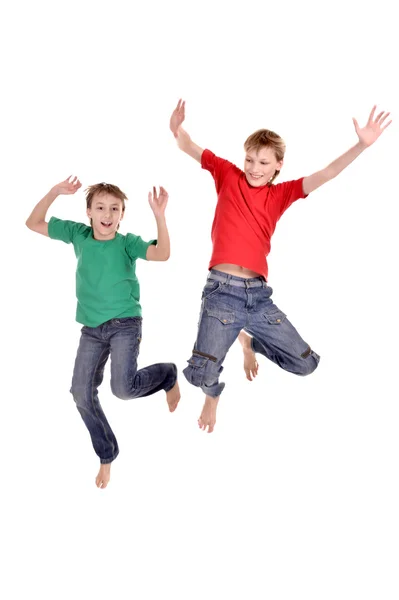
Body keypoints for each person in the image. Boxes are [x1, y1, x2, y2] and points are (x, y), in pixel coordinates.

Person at [170, 100, 391, 434]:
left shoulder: (283, 194)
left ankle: (250, 342)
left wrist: (361, 145)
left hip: (258, 299)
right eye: (249, 159)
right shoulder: (228, 174)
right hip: (222, 294)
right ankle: (212, 395)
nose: (254, 167)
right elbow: (187, 145)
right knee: (201, 374)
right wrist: (177, 127)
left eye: (263, 162)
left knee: (306, 365)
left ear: (277, 166)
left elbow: (327, 173)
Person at [26, 179, 180, 488]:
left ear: (122, 214)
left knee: (122, 390)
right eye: (100, 208)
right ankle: (106, 454)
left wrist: (160, 216)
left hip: (125, 324)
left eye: (114, 209)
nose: (107, 214)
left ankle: (167, 375)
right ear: (89, 213)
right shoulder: (77, 234)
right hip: (92, 329)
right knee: (80, 393)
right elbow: (33, 223)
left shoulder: (127, 242)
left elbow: (162, 254)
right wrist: (54, 192)